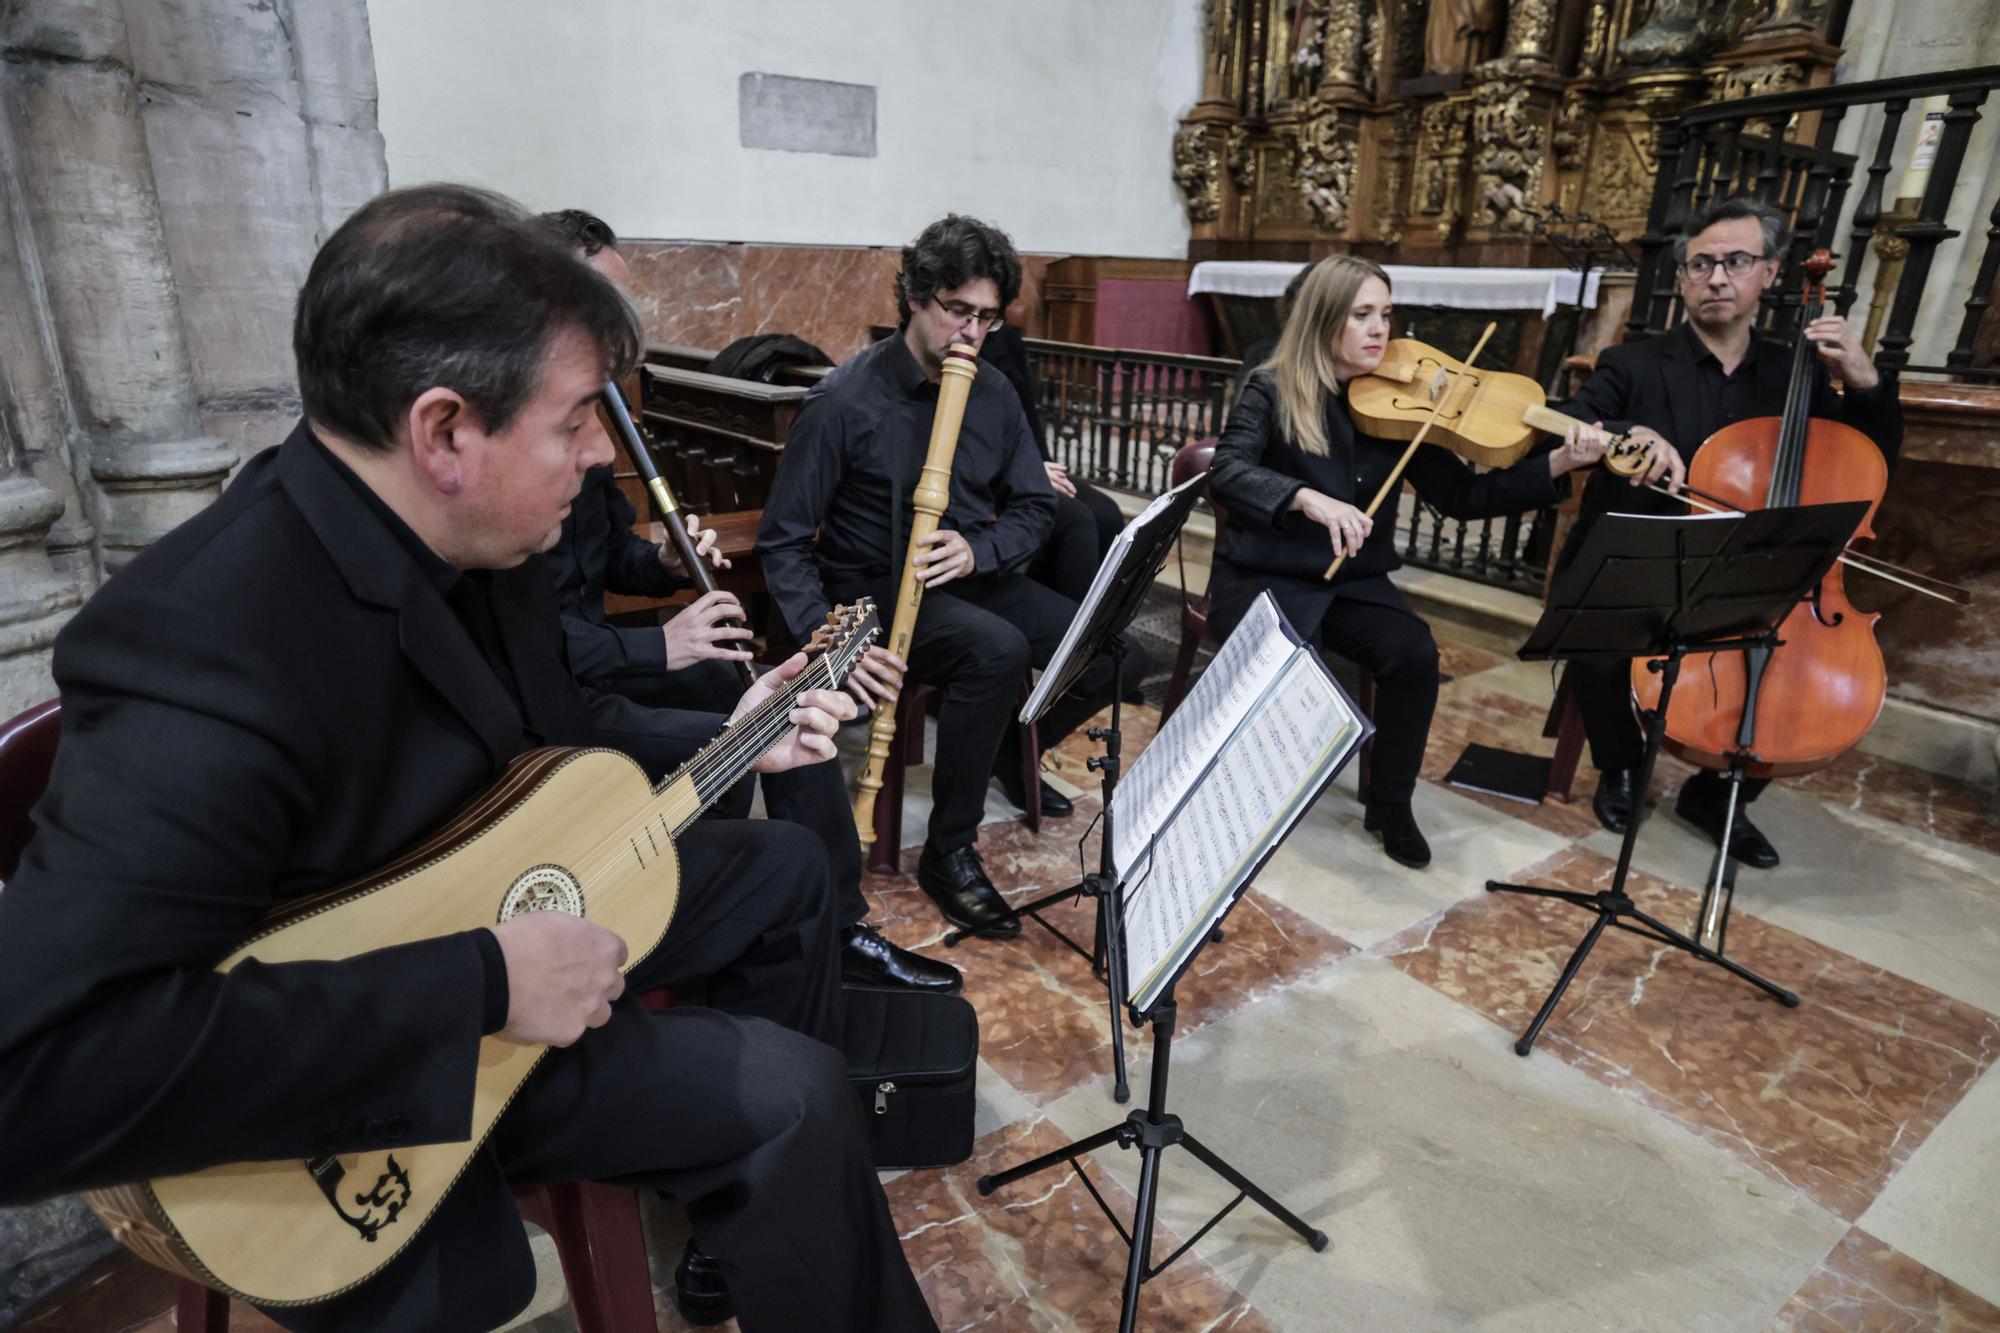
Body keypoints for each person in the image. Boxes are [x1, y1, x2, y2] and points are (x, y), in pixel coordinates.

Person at [0, 185, 937, 1333]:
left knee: (786, 872)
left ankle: (734, 1217)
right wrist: (485, 982)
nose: (600, 455)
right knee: (789, 1097)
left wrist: (738, 726)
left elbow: (548, 754)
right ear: (444, 431)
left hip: (505, 924)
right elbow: (39, 1079)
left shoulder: (495, 541)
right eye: (577, 418)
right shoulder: (204, 641)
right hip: (366, 1071)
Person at [538, 208, 957, 995]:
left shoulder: (586, 432)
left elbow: (609, 555)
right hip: (565, 694)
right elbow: (525, 645)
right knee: (757, 715)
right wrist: (660, 646)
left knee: (770, 696)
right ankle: (745, 909)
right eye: (602, 303)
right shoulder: (531, 443)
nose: (622, 329)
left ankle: (828, 921)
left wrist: (663, 560)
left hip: (598, 663)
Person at [1205, 255, 1673, 869]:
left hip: (1353, 578)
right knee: (1293, 668)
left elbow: (1464, 497)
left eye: (1386, 314)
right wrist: (1305, 497)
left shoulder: (1400, 404)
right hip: (1267, 572)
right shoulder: (1272, 386)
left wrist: (1559, 465)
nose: (1381, 330)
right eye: (1362, 315)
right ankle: (1234, 794)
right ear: (1323, 321)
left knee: (1414, 654)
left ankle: (1390, 802)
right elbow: (1227, 469)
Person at [758, 214, 1146, 935]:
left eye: (987, 319)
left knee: (1118, 651)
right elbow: (783, 542)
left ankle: (1003, 747)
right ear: (916, 297)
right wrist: (826, 638)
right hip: (875, 592)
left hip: (969, 572)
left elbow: (1035, 505)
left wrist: (978, 550)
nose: (971, 333)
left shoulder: (994, 391)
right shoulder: (844, 401)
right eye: (958, 311)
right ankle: (949, 850)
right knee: (993, 650)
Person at [1555, 196, 1902, 868]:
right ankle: (1620, 767)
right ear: (1681, 277)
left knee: (1787, 671)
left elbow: (1870, 461)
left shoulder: (1792, 374)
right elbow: (1571, 420)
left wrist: (1864, 382)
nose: (1718, 278)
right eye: (1702, 264)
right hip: (1645, 563)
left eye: (1736, 262)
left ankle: (1718, 797)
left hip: (1750, 574)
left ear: (1768, 274)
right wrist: (1627, 432)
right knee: (1594, 644)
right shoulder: (1631, 364)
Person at [978, 323, 1126, 603]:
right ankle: (1070, 627)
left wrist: (1042, 463)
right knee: (1077, 521)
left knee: (1108, 515)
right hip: (994, 477)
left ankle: (1099, 622)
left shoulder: (1006, 337)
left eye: (989, 315)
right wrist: (1028, 472)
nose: (975, 328)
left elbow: (1027, 416)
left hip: (1026, 463)